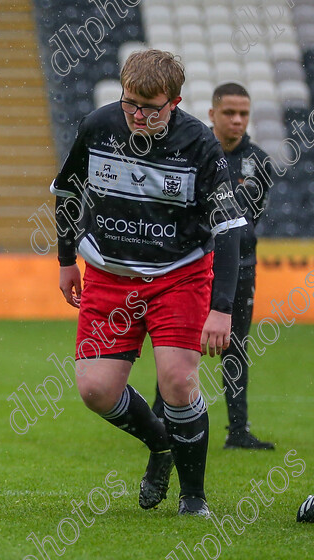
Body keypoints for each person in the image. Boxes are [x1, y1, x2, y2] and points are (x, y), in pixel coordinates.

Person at [52, 50, 245, 517]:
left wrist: (222, 309)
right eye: (130, 103)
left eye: (150, 107)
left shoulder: (199, 142)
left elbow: (230, 227)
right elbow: (66, 193)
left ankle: (193, 499)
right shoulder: (99, 126)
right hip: (109, 276)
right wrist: (65, 261)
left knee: (178, 382)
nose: (138, 115)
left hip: (179, 276)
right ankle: (161, 446)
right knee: (95, 390)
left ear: (174, 102)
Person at [151, 83, 275, 450]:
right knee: (178, 343)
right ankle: (161, 421)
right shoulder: (193, 151)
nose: (237, 120)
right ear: (212, 114)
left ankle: (238, 430)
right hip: (192, 264)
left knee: (236, 345)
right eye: (229, 113)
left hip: (239, 267)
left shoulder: (261, 164)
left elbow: (248, 222)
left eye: (244, 114)